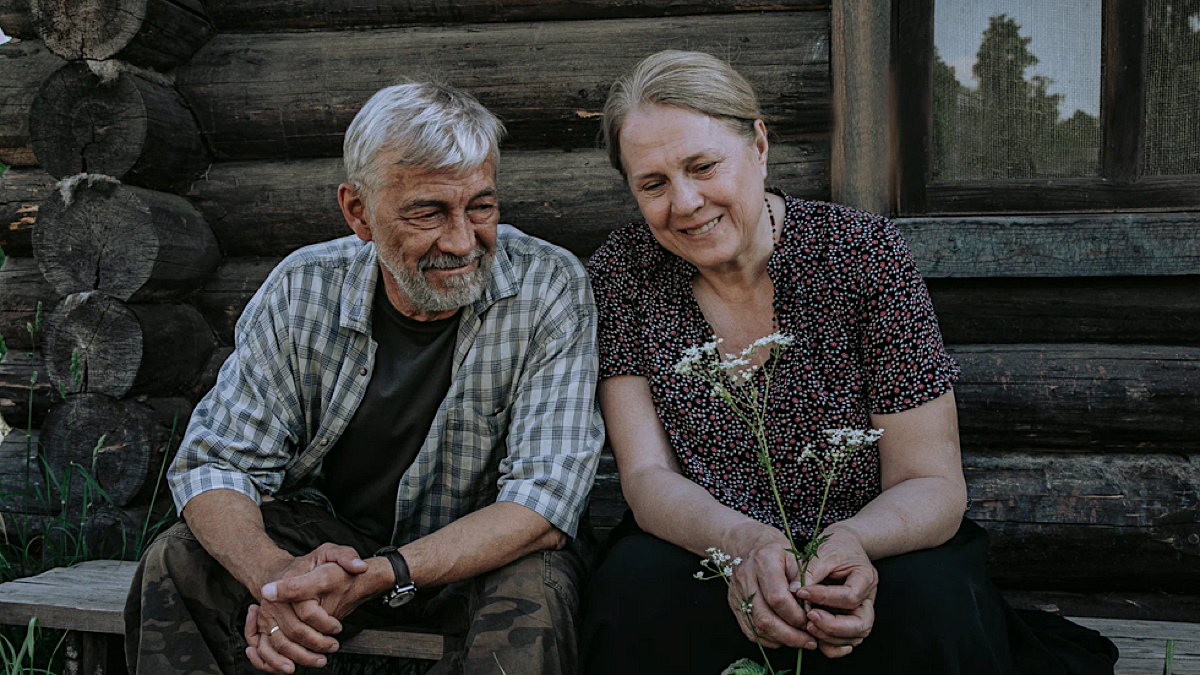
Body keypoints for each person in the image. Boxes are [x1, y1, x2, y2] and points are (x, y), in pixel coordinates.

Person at [579, 50, 1118, 675]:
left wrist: (850, 541)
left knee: (931, 607)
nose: (687, 201)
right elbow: (648, 475)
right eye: (653, 184)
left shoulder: (862, 253)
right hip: (708, 541)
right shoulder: (623, 272)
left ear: (758, 145)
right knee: (631, 596)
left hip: (875, 539)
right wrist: (743, 542)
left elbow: (931, 481)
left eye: (703, 166)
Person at [124, 82, 604, 675]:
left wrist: (385, 573)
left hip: (474, 556)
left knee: (535, 591)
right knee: (179, 560)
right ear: (358, 211)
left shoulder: (549, 285)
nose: (463, 240)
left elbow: (543, 502)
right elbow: (216, 464)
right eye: (428, 212)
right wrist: (275, 578)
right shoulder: (303, 287)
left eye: (481, 207)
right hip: (328, 546)